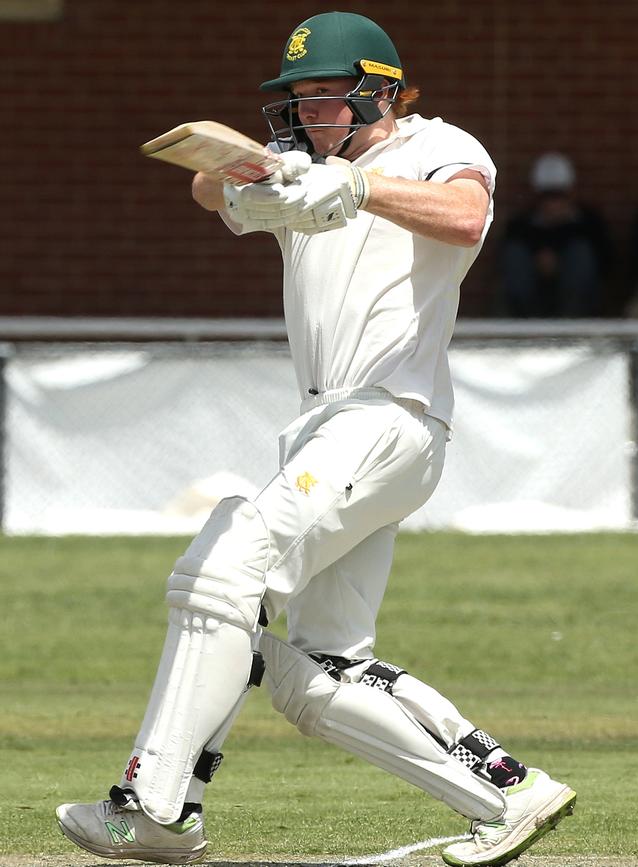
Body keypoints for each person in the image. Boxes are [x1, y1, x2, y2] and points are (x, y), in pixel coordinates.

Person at [55, 13, 576, 867]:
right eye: (293, 99)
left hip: (388, 414)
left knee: (224, 569)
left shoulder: (434, 144)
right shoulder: (310, 169)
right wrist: (256, 175)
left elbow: (465, 214)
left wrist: (358, 189)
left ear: (377, 90)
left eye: (322, 97)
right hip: (328, 426)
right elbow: (203, 190)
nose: (304, 113)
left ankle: (155, 805)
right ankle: (507, 793)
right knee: (319, 670)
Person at [500, 152, 612, 317]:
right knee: (515, 255)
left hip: (578, 301)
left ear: (571, 193)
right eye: (547, 196)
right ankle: (524, 324)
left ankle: (572, 320)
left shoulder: (589, 223)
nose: (553, 203)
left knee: (580, 253)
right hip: (532, 298)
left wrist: (560, 259)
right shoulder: (520, 225)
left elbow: (607, 263)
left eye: (559, 196)